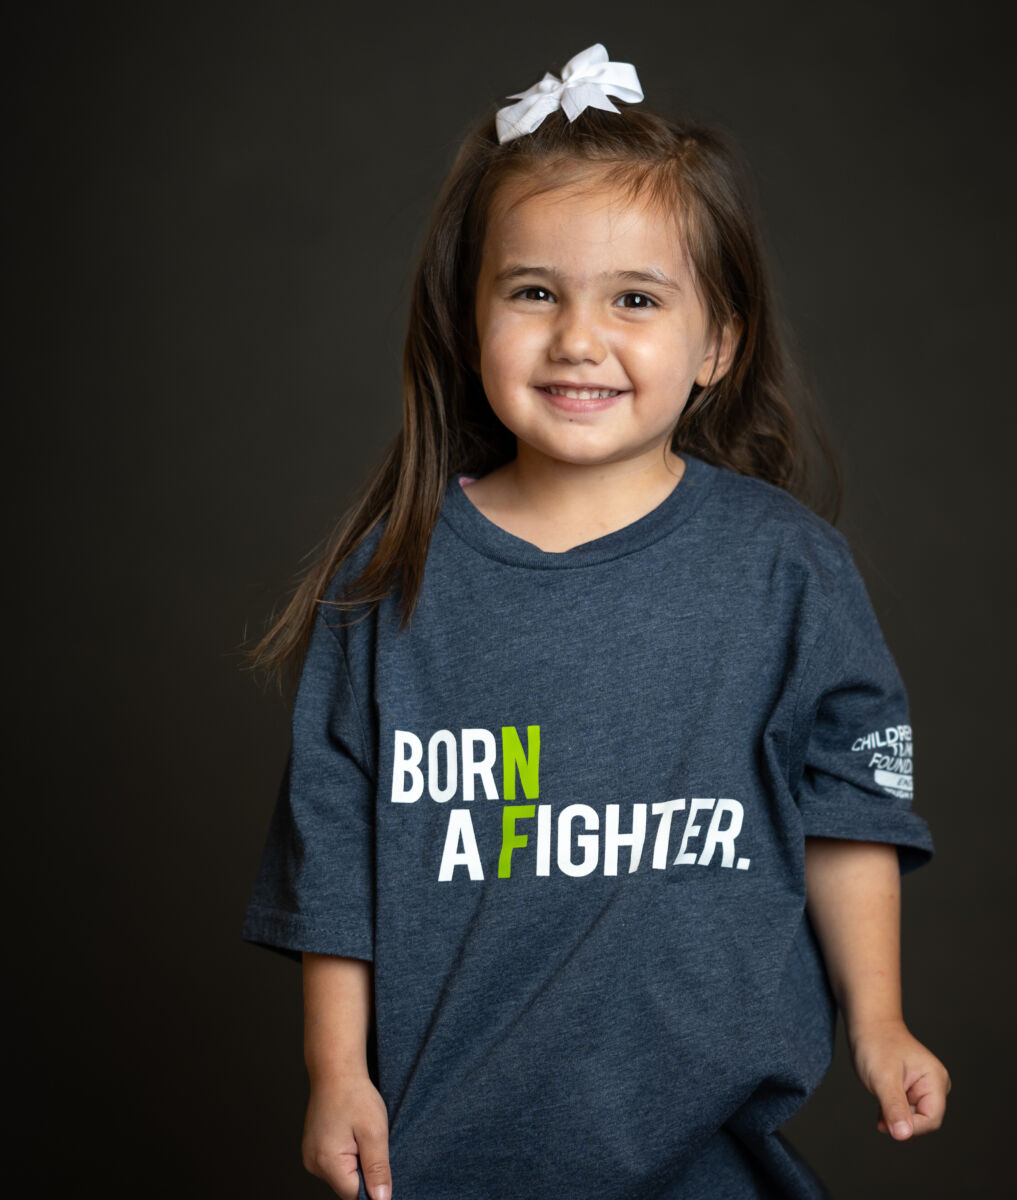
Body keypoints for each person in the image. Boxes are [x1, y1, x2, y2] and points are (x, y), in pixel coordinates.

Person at [242, 43, 951, 1200]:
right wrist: (335, 1073)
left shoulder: (786, 571)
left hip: (708, 1163)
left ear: (716, 343)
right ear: (469, 318)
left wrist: (880, 1022)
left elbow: (846, 810)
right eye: (534, 292)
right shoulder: (391, 578)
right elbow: (337, 864)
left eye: (634, 299)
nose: (579, 338)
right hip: (444, 1155)